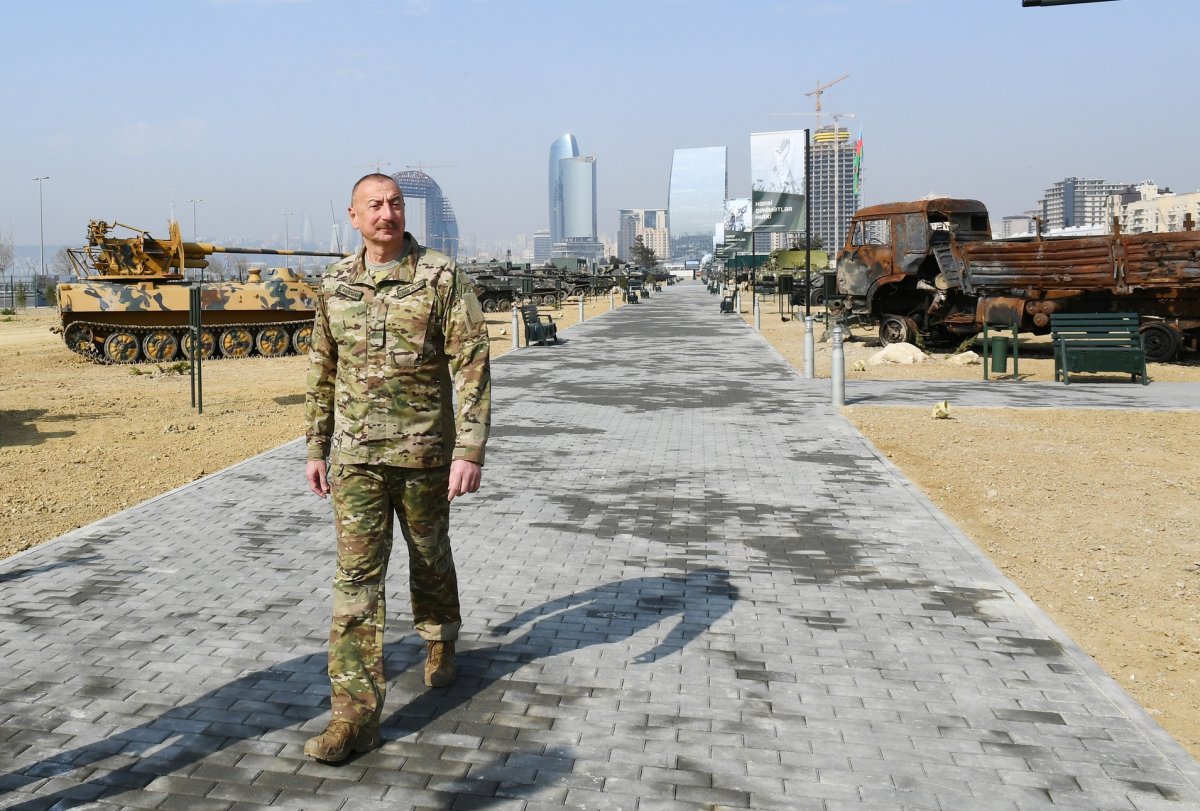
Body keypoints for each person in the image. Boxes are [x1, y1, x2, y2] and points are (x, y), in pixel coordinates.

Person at [302, 173, 491, 763]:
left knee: (430, 554)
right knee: (356, 579)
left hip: (425, 455)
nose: (387, 213)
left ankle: (439, 638)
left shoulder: (439, 276)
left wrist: (469, 449)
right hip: (357, 459)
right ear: (353, 217)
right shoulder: (334, 283)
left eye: (396, 204)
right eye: (375, 206)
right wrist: (316, 446)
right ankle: (353, 719)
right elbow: (321, 369)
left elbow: (473, 362)